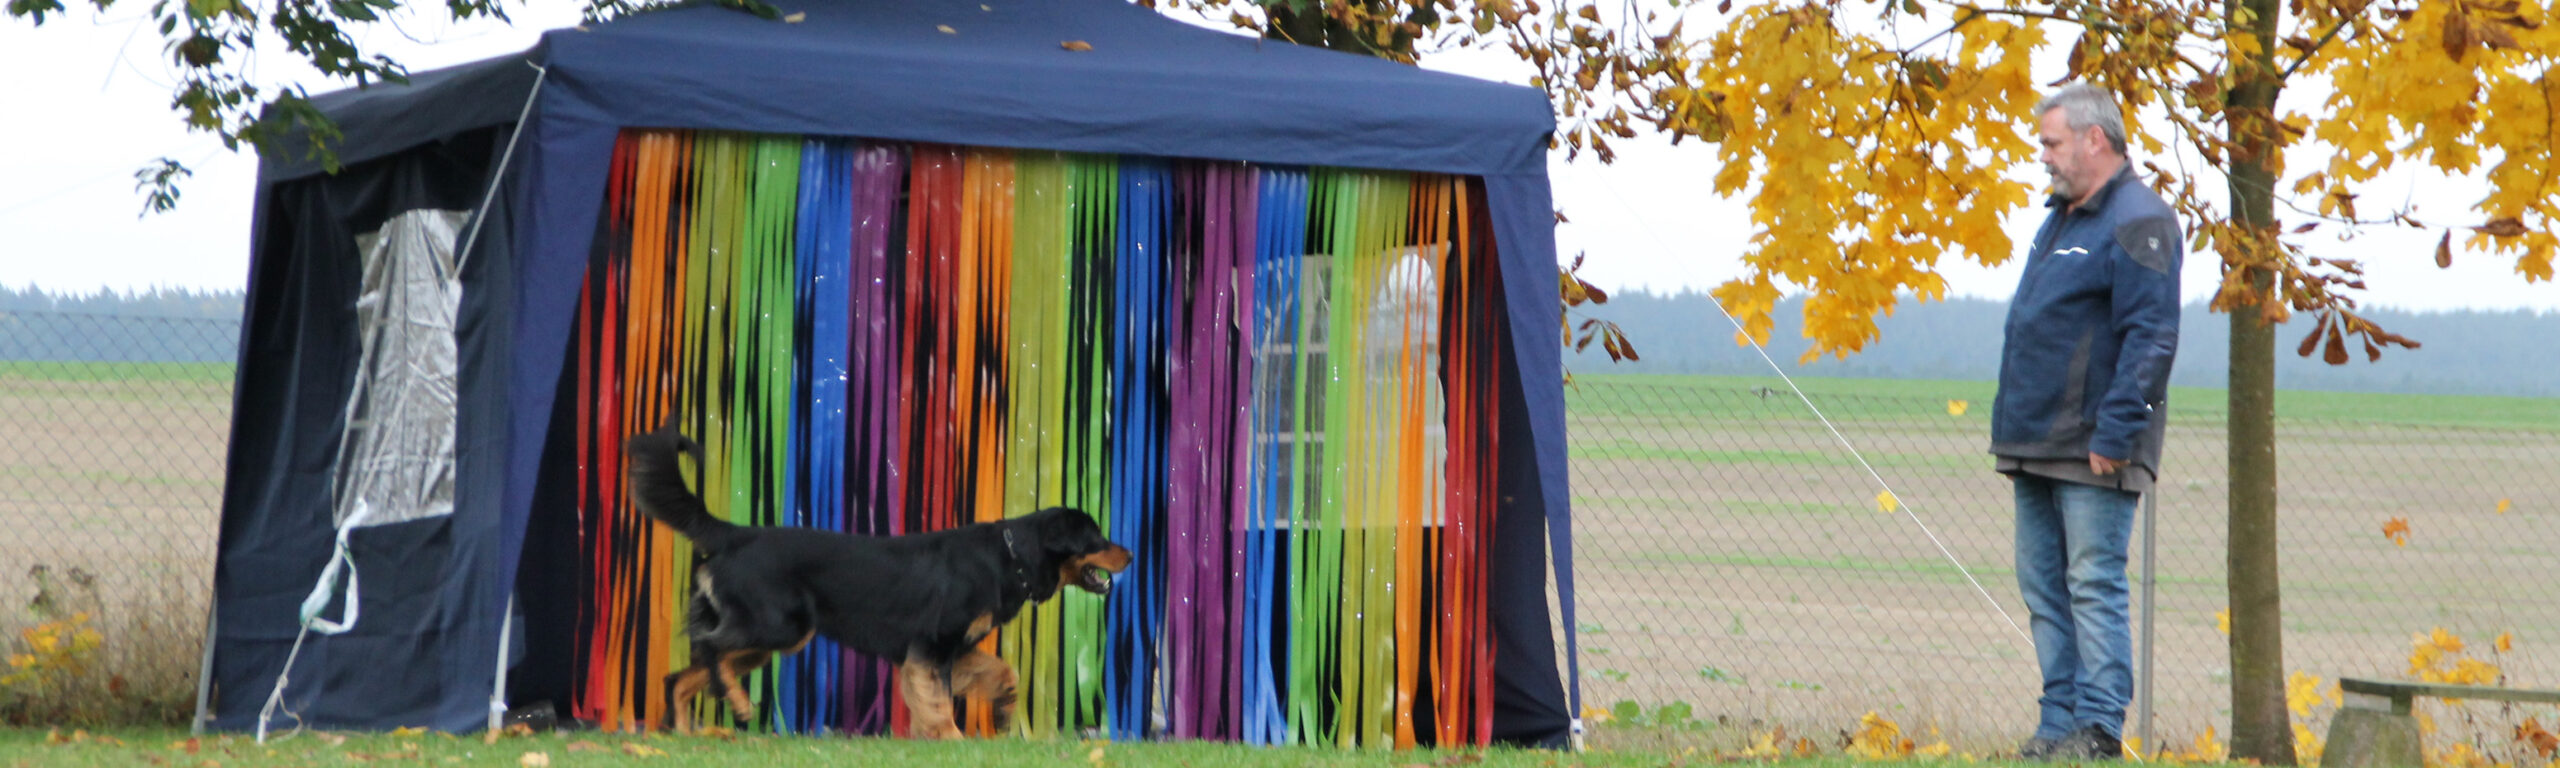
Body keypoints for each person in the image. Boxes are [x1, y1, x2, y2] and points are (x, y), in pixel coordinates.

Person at [1992, 82, 2182, 762]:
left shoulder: (2140, 219)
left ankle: (2098, 730)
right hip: (2034, 438)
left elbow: (2152, 336)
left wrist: (2117, 431)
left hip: (2093, 445)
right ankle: (2056, 727)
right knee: (2044, 588)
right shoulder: (2062, 218)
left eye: (2052, 143)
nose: (2044, 156)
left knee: (2092, 586)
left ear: (2094, 139)